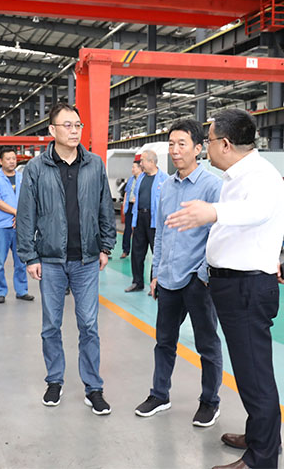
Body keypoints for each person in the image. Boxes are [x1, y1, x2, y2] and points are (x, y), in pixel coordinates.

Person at [165, 109, 284, 469]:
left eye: (208, 140)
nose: (206, 147)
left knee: (255, 376)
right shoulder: (237, 176)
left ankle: (261, 458)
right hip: (235, 286)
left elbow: (258, 212)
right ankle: (261, 436)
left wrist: (213, 213)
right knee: (251, 372)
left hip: (246, 288)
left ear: (225, 143)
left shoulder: (260, 176)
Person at [16, 102, 116, 415]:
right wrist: (29, 256)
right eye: (67, 125)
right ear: (52, 130)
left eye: (78, 125)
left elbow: (105, 207)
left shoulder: (95, 164)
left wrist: (105, 247)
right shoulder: (36, 168)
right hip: (50, 260)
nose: (74, 131)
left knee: (89, 325)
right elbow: (26, 215)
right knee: (51, 325)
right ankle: (54, 380)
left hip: (87, 260)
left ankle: (93, 387)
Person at [133, 119, 224, 428]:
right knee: (164, 342)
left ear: (198, 148)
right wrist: (156, 271)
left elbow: (217, 235)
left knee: (207, 345)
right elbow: (161, 232)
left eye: (181, 144)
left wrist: (203, 276)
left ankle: (210, 402)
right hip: (169, 279)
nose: (174, 150)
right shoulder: (166, 187)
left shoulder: (212, 186)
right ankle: (160, 395)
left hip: (197, 281)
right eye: (171, 144)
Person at [0, 147, 34, 304]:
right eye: (8, 159)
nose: (12, 161)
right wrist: (16, 213)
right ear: (0, 161)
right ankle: (0, 292)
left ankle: (22, 291)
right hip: (1, 227)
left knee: (21, 261)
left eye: (14, 158)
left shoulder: (23, 178)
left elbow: (29, 199)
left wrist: (22, 217)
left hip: (20, 226)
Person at [126, 150, 168, 293]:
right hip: (140, 217)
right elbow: (136, 198)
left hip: (154, 220)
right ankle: (137, 282)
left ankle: (154, 284)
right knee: (137, 252)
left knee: (156, 253)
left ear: (151, 162)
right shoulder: (141, 178)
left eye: (142, 160)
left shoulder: (164, 179)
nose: (140, 164)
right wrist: (134, 221)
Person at [120, 160, 142, 259]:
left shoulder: (143, 179)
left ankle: (137, 252)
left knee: (138, 230)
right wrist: (124, 204)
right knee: (127, 229)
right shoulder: (130, 179)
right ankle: (125, 250)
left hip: (139, 207)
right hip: (130, 206)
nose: (132, 169)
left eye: (134, 167)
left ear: (140, 168)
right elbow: (126, 192)